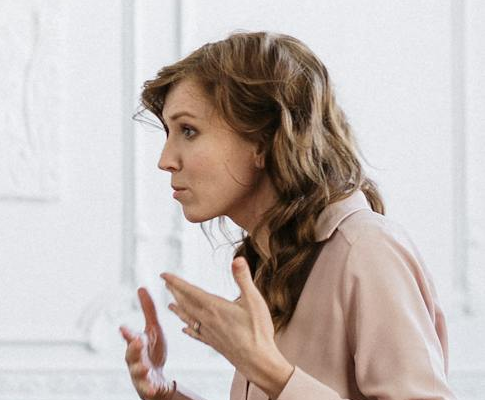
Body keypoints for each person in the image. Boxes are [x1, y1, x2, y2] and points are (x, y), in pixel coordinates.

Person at [119, 32, 453, 400]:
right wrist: (166, 394)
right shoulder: (273, 260)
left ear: (263, 140)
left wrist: (271, 372)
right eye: (169, 132)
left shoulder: (366, 248)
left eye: (188, 131)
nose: (165, 160)